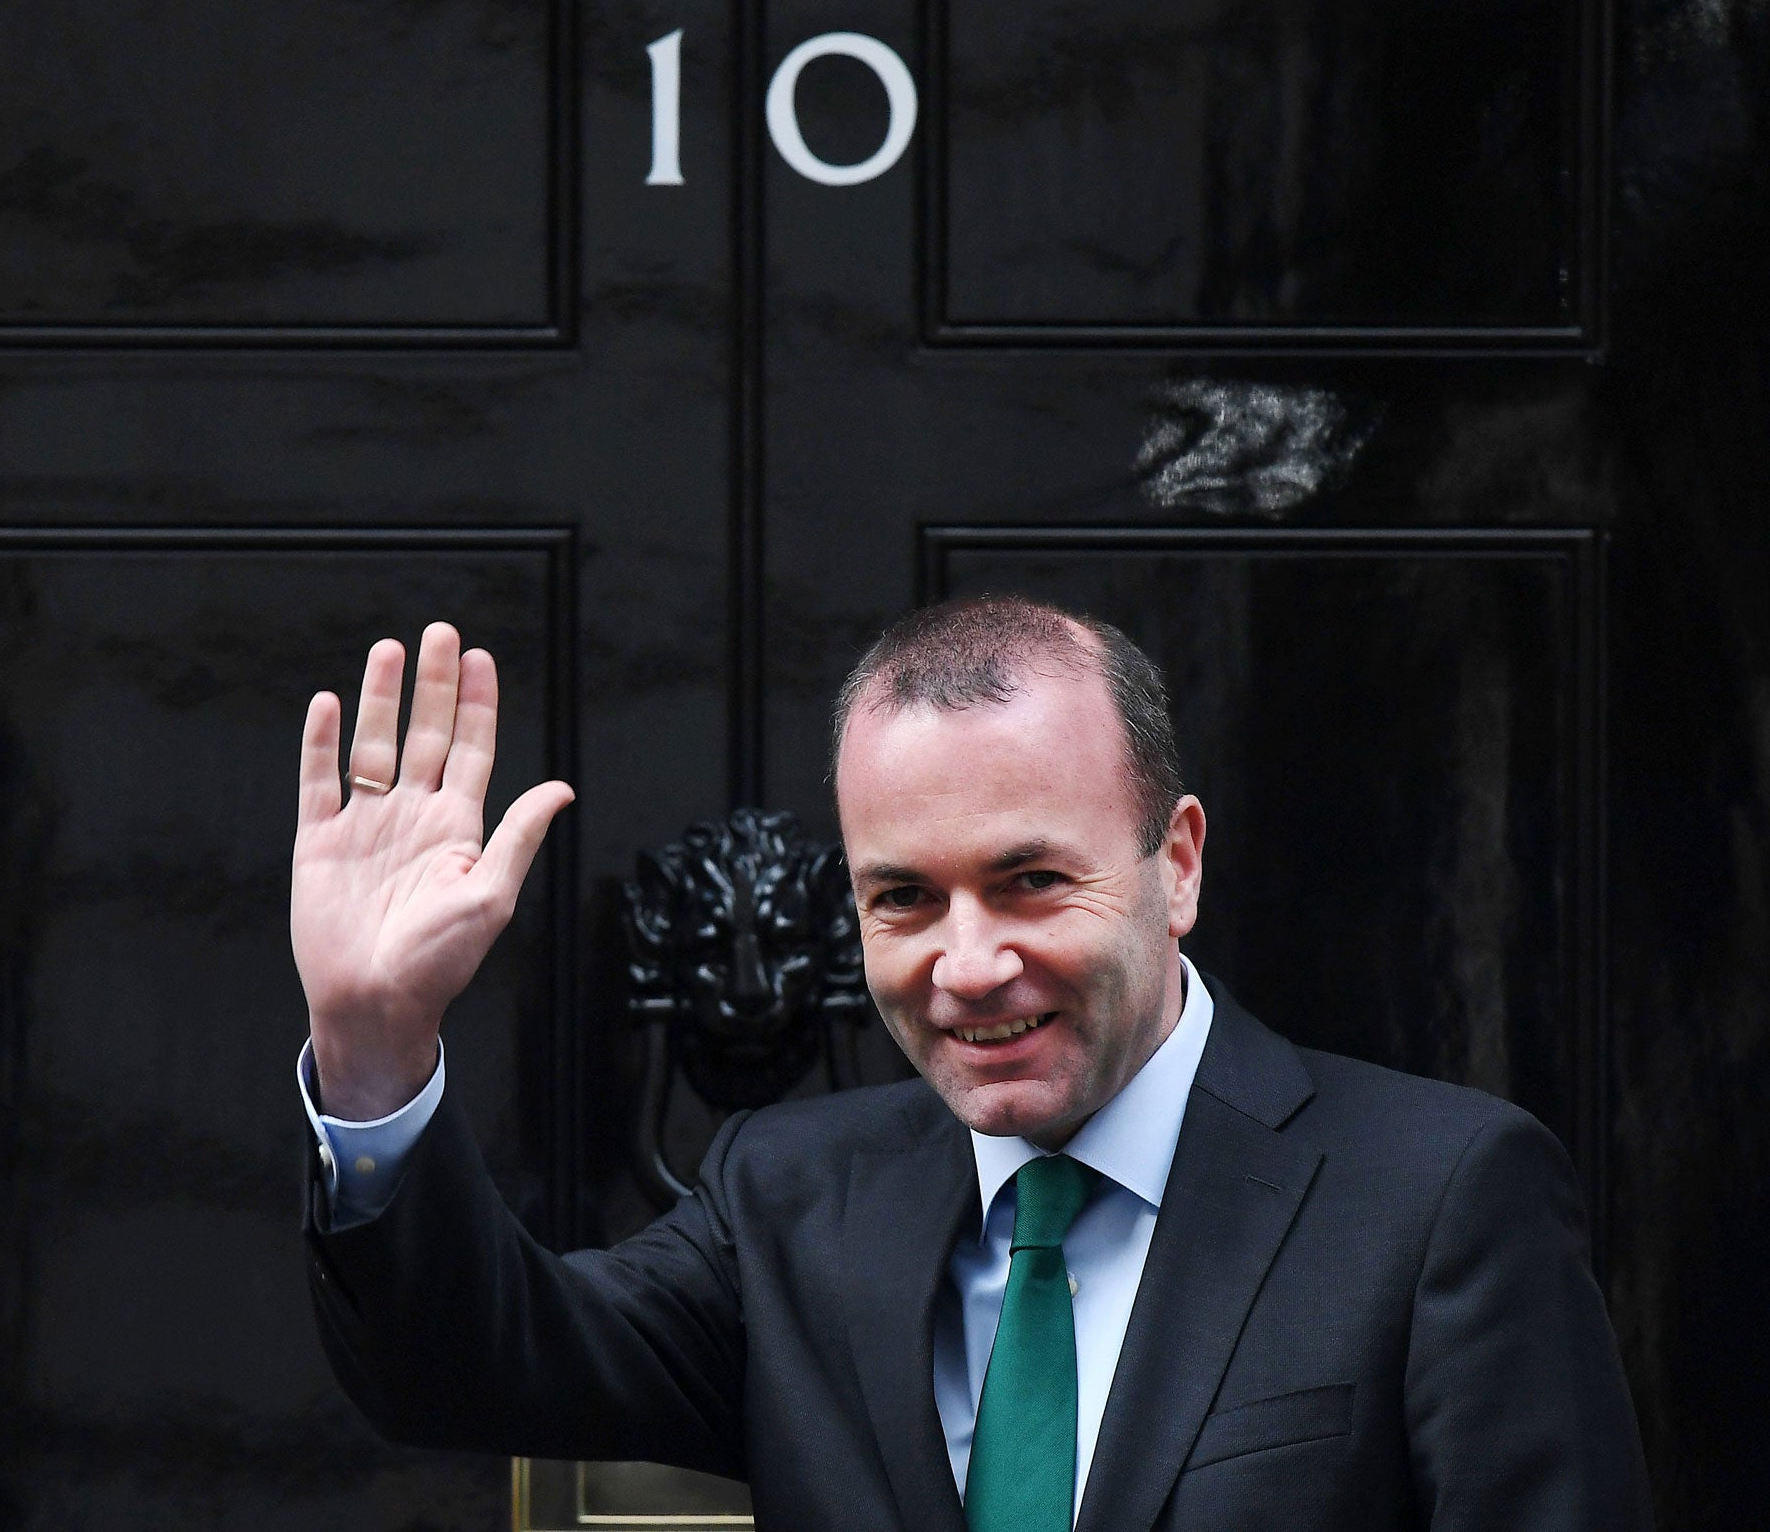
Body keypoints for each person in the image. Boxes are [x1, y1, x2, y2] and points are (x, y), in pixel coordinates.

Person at [291, 597, 1653, 1532]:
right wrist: (372, 1044)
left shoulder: (1441, 1199)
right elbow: (458, 1366)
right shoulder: (789, 1197)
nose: (966, 963)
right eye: (903, 900)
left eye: (1029, 881)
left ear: (1174, 865)